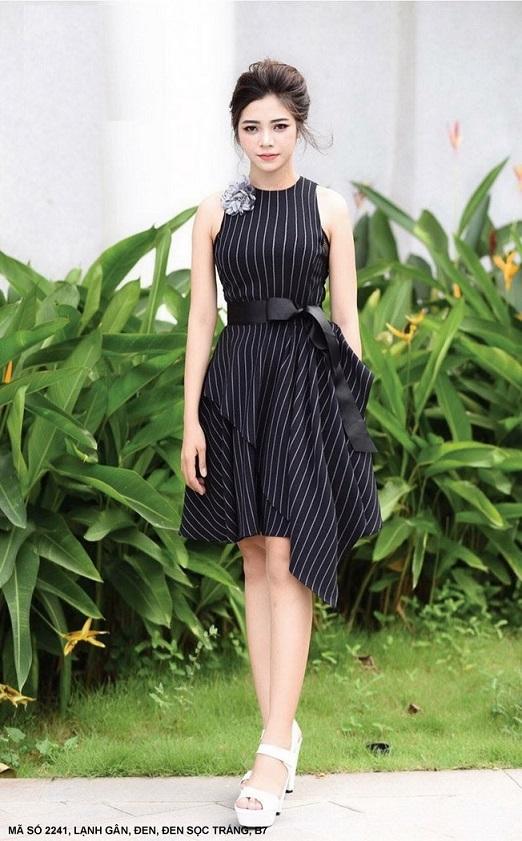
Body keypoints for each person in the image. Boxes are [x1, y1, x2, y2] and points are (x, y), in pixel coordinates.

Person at [179, 58, 382, 829]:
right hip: (237, 383)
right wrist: (191, 418)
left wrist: (347, 419)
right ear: (237, 131)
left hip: (306, 385)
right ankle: (280, 733)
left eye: (279, 126)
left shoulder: (329, 208)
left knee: (291, 557)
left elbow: (348, 320)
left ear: (301, 128)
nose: (265, 139)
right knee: (255, 554)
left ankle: (270, 752)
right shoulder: (214, 212)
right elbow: (202, 318)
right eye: (251, 126)